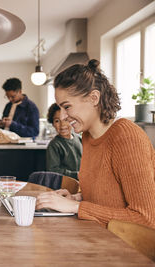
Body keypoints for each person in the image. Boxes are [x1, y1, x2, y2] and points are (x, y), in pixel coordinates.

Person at [36, 59, 155, 229]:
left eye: (67, 107)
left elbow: (147, 219)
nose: (62, 117)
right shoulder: (87, 137)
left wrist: (77, 207)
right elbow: (110, 197)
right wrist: (77, 198)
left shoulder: (126, 137)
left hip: (127, 251)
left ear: (94, 98)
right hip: (97, 238)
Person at [46, 103, 82, 179]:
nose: (62, 125)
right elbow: (53, 170)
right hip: (64, 186)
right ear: (52, 124)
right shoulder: (54, 145)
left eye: (66, 120)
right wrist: (76, 175)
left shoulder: (79, 139)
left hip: (82, 184)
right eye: (57, 121)